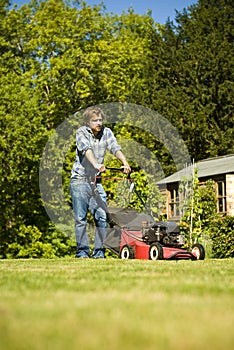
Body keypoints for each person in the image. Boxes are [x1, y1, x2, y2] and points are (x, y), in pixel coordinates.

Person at [70, 106, 131, 259]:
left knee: (102, 216)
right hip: (80, 181)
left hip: (96, 183)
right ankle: (82, 253)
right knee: (81, 219)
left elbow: (115, 148)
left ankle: (99, 253)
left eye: (100, 120)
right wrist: (96, 164)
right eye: (95, 120)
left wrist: (124, 162)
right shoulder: (82, 132)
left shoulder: (107, 132)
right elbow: (86, 150)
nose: (98, 123)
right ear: (87, 122)